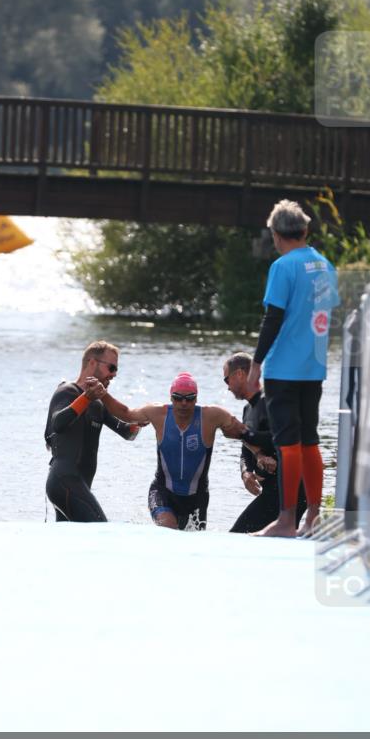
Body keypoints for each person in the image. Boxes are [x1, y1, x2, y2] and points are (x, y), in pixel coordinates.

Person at [247, 199, 339, 538]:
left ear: (276, 234)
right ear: (305, 230)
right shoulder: (325, 265)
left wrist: (255, 365)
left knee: (287, 442)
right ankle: (312, 517)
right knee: (309, 440)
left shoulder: (283, 267)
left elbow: (273, 318)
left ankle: (286, 520)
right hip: (313, 368)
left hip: (284, 369)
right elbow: (326, 317)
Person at [90, 372, 251, 530]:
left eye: (189, 399)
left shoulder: (212, 415)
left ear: (196, 398)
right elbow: (126, 414)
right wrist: (103, 395)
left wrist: (257, 457)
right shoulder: (157, 413)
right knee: (168, 529)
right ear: (170, 397)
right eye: (177, 398)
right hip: (162, 492)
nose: (183, 403)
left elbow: (242, 433)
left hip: (198, 498)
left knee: (194, 546)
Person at [44, 341, 141, 522]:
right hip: (64, 480)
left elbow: (127, 432)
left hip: (78, 486)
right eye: (111, 368)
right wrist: (86, 397)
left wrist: (144, 419)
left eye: (116, 370)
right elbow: (58, 423)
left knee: (70, 544)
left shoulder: (99, 404)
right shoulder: (67, 391)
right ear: (92, 363)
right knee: (101, 531)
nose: (114, 375)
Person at [224, 352, 307, 534]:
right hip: (273, 491)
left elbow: (285, 437)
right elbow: (246, 449)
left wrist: (244, 433)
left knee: (236, 537)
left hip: (290, 490)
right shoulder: (248, 408)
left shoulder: (270, 402)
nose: (227, 387)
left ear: (239, 374)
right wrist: (246, 472)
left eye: (226, 379)